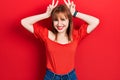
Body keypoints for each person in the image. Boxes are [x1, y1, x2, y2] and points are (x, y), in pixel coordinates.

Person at [21, 0, 100, 80]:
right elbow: (24, 22)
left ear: (69, 21)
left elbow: (95, 21)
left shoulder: (76, 35)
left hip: (70, 77)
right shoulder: (46, 35)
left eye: (63, 19)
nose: (59, 24)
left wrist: (75, 13)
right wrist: (46, 15)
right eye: (56, 20)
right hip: (51, 77)